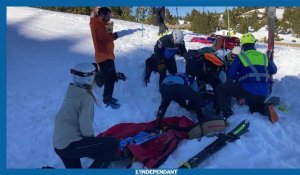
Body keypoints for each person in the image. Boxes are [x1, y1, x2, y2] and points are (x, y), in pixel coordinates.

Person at [53, 63, 119, 169]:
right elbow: (85, 125)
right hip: (70, 145)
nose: (96, 78)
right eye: (94, 76)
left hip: (59, 145)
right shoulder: (86, 97)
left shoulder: (72, 90)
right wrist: (93, 145)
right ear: (89, 79)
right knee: (113, 143)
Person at [216, 33, 277, 119]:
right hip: (265, 91)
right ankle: (264, 108)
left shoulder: (241, 56)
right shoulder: (264, 56)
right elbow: (274, 70)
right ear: (253, 44)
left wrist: (239, 76)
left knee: (221, 89)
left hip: (248, 90)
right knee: (253, 107)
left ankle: (227, 115)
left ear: (243, 45)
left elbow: (230, 74)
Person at [90, 7, 126, 109]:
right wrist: (115, 35)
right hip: (104, 55)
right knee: (109, 78)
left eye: (110, 15)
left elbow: (107, 35)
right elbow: (105, 38)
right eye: (108, 15)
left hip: (108, 55)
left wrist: (110, 27)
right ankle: (107, 99)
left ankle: (99, 78)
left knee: (108, 75)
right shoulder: (98, 24)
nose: (110, 17)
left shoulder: (101, 23)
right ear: (101, 15)